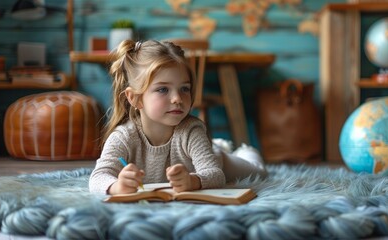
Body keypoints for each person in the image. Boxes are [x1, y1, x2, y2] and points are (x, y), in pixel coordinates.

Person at [89, 39, 266, 195]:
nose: (177, 99)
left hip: (216, 159)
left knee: (259, 171)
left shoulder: (191, 130)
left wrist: (192, 181)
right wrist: (116, 186)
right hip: (200, 150)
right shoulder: (123, 137)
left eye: (184, 88)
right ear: (135, 98)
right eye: (163, 89)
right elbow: (98, 177)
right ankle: (217, 143)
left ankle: (243, 150)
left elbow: (215, 174)